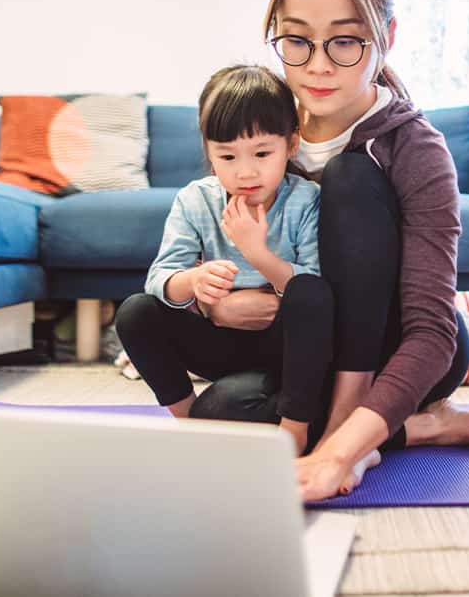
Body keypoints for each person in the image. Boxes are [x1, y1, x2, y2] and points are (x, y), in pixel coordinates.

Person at [195, 0, 469, 502]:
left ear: (386, 36)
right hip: (308, 351)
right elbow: (220, 258)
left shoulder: (415, 148)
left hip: (402, 348)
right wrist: (218, 303)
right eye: (297, 41)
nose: (318, 67)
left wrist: (336, 452)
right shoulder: (260, 132)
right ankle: (424, 426)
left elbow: (431, 333)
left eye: (345, 41)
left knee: (351, 177)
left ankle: (354, 427)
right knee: (221, 414)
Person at [114, 64, 331, 455]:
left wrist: (257, 254)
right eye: (227, 156)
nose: (246, 172)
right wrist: (194, 283)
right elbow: (160, 277)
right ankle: (189, 424)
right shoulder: (196, 200)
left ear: (291, 144)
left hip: (286, 351)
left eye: (263, 153)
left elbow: (315, 287)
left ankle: (294, 432)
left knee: (311, 295)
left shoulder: (305, 200)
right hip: (220, 345)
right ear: (209, 153)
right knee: (135, 312)